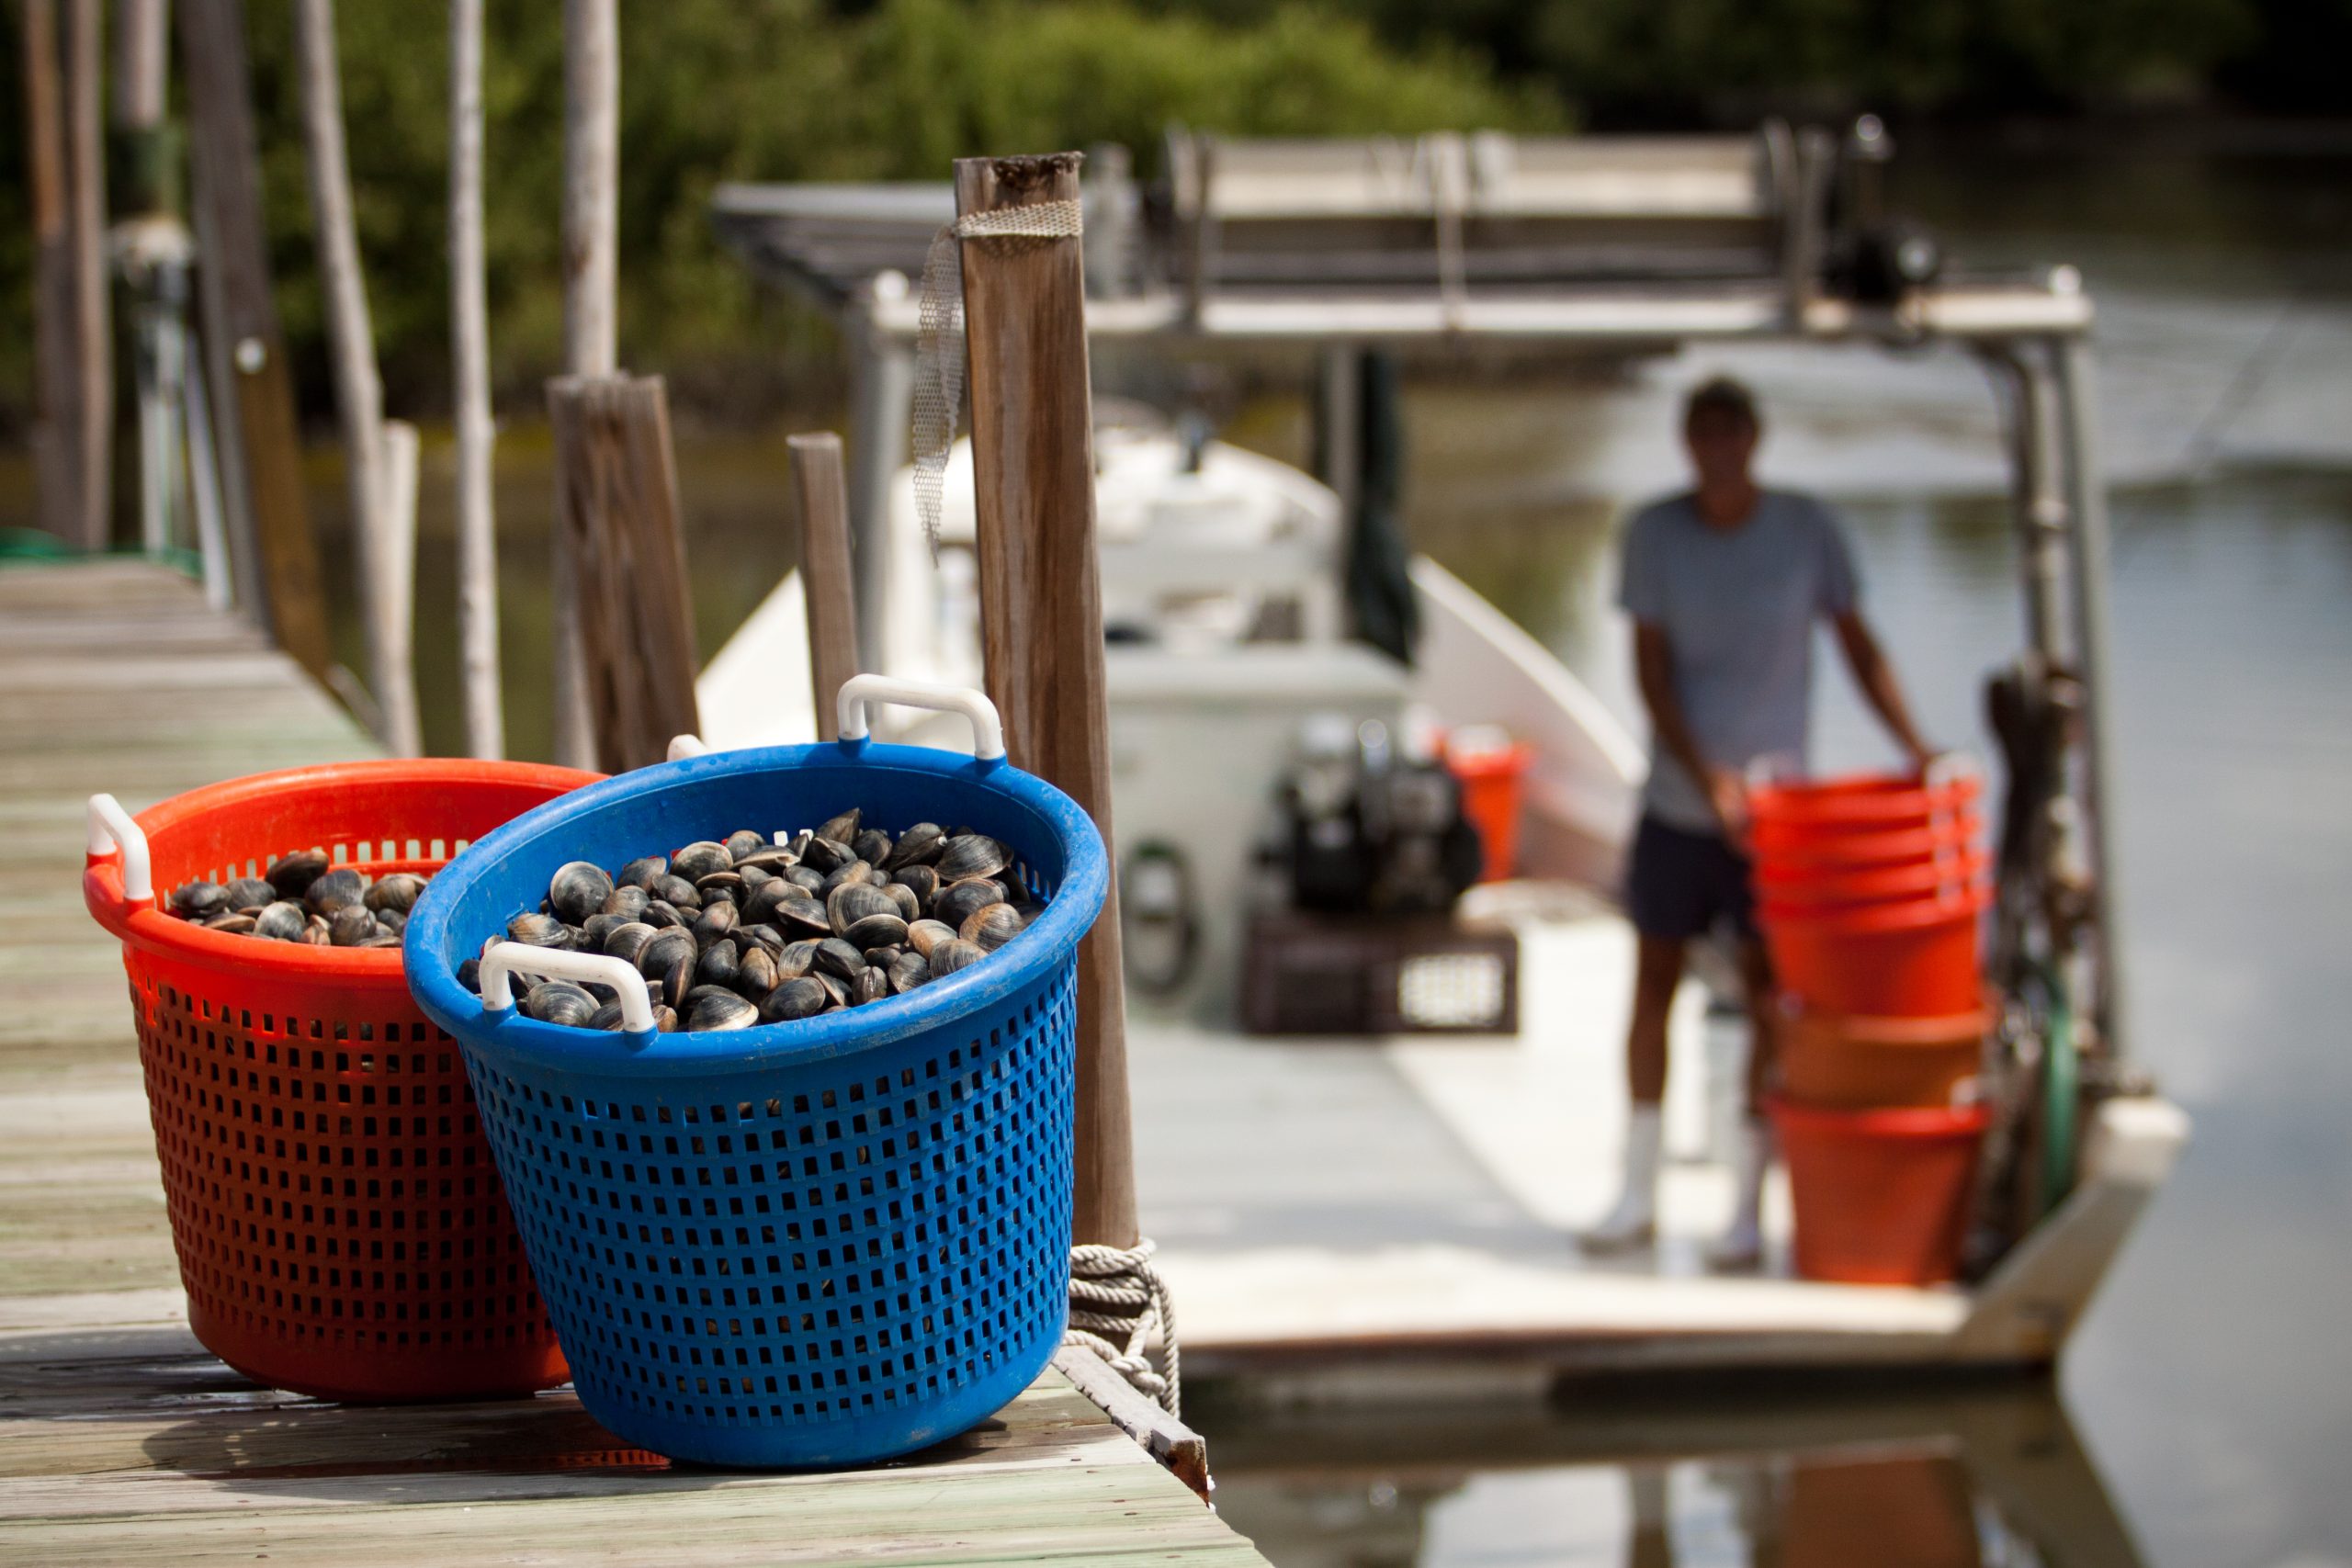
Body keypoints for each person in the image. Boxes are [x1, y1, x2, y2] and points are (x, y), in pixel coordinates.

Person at [1585, 376, 1933, 1269]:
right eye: (1700, 431)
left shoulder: (1806, 529)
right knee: (1651, 984)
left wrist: (1915, 746)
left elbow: (1857, 643)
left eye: (1729, 430)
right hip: (1676, 806)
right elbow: (1650, 674)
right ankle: (1636, 1194)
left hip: (1778, 822)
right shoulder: (1654, 534)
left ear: (1754, 438)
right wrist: (1709, 784)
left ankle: (1745, 1207)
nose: (1716, 447)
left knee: (1765, 999)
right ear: (1685, 441)